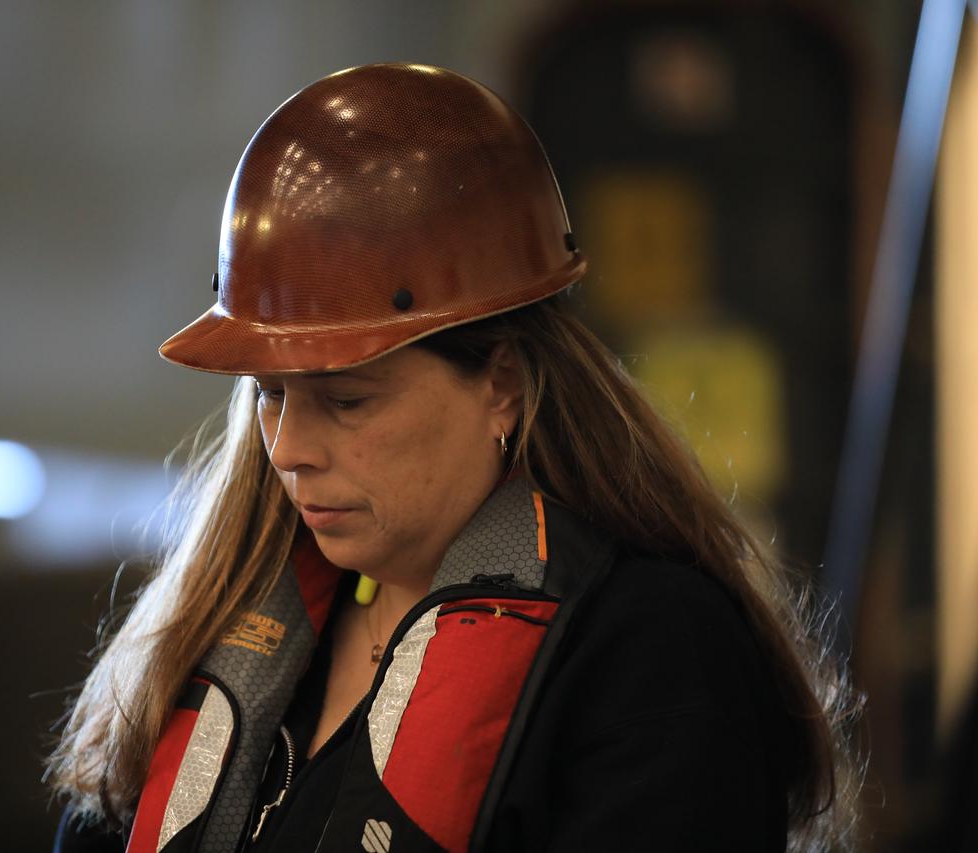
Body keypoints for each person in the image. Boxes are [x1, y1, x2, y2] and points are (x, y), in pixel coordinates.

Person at [48, 63, 861, 852]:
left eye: (348, 400)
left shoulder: (655, 656)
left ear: (500, 382)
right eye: (268, 393)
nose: (289, 448)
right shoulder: (219, 627)